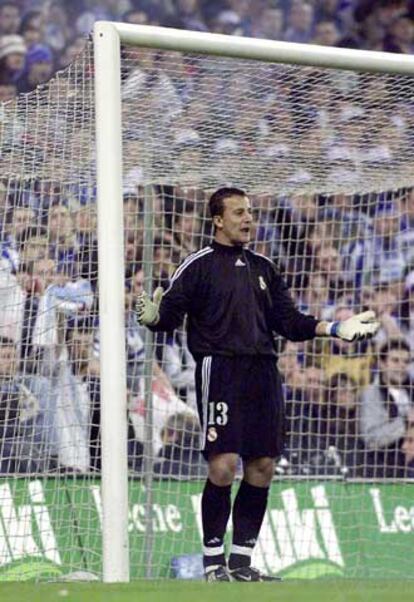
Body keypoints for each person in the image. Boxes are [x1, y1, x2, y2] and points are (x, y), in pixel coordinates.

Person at [136, 186, 379, 582]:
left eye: (250, 212)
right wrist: (152, 317)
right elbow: (169, 315)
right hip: (221, 369)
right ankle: (213, 562)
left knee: (263, 465)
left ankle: (242, 562)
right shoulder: (198, 265)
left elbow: (289, 322)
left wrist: (336, 327)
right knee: (223, 464)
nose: (248, 219)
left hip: (264, 372)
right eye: (238, 213)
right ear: (217, 219)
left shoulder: (265, 267)